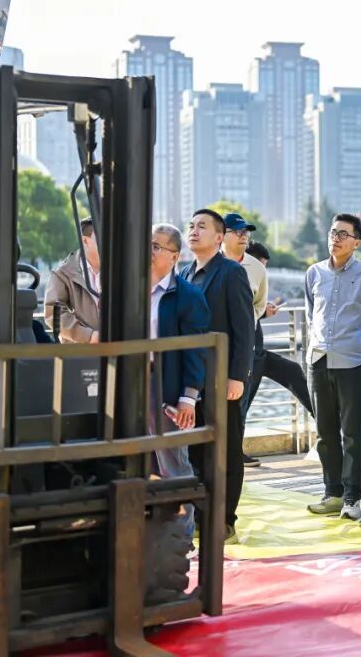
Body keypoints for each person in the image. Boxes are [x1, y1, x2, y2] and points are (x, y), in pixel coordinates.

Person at [179, 208, 255, 543]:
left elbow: (244, 328)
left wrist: (237, 376)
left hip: (222, 377)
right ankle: (200, 516)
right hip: (191, 381)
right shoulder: (184, 273)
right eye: (191, 226)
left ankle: (225, 520)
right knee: (195, 451)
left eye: (202, 226)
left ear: (219, 237)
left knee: (226, 451)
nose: (194, 231)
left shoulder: (230, 273)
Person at [305, 215, 361, 521]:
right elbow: (312, 315)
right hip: (318, 361)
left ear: (356, 242)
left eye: (343, 234)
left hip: (353, 363)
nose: (335, 238)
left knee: (353, 434)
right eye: (333, 232)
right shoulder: (314, 273)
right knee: (325, 434)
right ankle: (332, 493)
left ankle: (352, 499)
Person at [146, 224, 210, 538]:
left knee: (173, 462)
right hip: (131, 384)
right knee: (143, 462)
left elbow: (195, 351)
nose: (150, 251)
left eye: (156, 246)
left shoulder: (187, 296)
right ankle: (151, 533)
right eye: (148, 244)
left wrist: (188, 398)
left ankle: (183, 536)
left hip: (166, 387)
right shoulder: (130, 288)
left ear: (174, 256)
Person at [243, 240, 314, 420]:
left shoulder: (253, 283)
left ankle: (326, 424)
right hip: (245, 358)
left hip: (258, 354)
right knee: (240, 409)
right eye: (261, 267)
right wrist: (262, 313)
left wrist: (262, 311)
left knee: (293, 371)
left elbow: (249, 312)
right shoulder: (236, 279)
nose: (263, 273)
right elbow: (237, 316)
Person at [220, 212, 269, 466]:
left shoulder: (257, 268)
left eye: (246, 232)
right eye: (237, 231)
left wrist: (244, 323)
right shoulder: (210, 264)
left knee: (239, 403)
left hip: (243, 347)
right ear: (222, 235)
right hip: (214, 346)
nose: (244, 236)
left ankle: (234, 455)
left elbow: (259, 304)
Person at [44, 217, 101, 343]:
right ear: (85, 241)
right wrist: (89, 336)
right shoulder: (62, 273)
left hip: (118, 349)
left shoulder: (121, 269)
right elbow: (53, 313)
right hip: (80, 351)